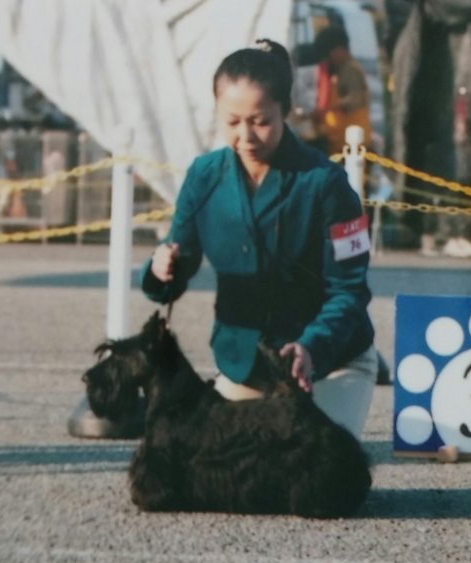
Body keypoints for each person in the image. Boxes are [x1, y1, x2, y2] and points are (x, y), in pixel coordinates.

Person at [139, 39, 378, 440]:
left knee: (317, 485)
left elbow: (349, 291)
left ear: (286, 110)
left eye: (260, 120)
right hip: (245, 365)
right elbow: (175, 271)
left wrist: (311, 348)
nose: (246, 135)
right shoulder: (202, 176)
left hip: (330, 362)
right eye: (231, 122)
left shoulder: (327, 184)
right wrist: (161, 268)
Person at [307, 25, 372, 156]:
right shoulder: (338, 71)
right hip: (339, 145)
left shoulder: (350, 70)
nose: (326, 60)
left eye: (328, 54)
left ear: (340, 50)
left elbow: (356, 99)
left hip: (352, 148)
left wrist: (327, 108)